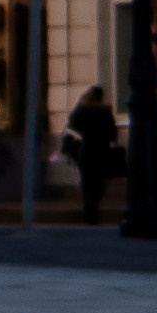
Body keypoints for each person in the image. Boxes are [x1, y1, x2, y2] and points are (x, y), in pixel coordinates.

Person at [61, 86, 120, 225]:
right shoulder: (105, 111)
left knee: (88, 182)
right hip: (102, 150)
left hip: (87, 149)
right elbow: (112, 133)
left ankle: (89, 210)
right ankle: (93, 208)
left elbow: (72, 124)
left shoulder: (82, 110)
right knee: (99, 183)